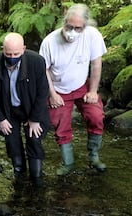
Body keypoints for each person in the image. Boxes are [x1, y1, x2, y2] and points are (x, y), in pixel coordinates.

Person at [39, 4, 107, 176]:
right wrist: (52, 94)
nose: (72, 31)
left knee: (96, 116)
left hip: (83, 85)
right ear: (64, 22)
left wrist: (93, 91)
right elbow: (44, 70)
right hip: (59, 88)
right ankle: (68, 163)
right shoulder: (49, 42)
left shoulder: (92, 35)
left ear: (85, 26)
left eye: (78, 28)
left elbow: (96, 63)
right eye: (69, 27)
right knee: (60, 123)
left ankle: (94, 156)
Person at [0, 32, 50, 187]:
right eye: (8, 54)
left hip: (31, 108)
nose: (12, 57)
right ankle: (19, 176)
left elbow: (43, 92)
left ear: (24, 49)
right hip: (8, 110)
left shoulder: (37, 61)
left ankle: (36, 179)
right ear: (2, 50)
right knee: (12, 143)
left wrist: (35, 119)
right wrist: (0, 118)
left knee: (34, 140)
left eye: (16, 53)